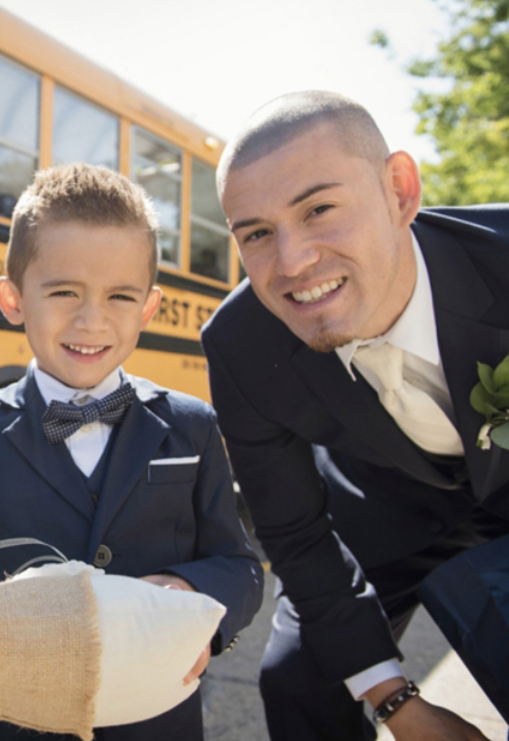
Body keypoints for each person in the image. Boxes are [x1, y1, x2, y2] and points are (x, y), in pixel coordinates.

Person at [0, 163, 264, 741]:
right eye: (64, 291)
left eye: (120, 296)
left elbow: (238, 563)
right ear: (13, 298)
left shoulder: (192, 425)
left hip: (160, 719)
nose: (91, 320)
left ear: (148, 308)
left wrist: (195, 599)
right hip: (24, 717)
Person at [202, 90, 509, 741]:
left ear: (399, 191)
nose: (292, 263)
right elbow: (293, 533)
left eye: (318, 209)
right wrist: (396, 702)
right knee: (297, 678)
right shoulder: (241, 345)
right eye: (256, 234)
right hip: (381, 510)